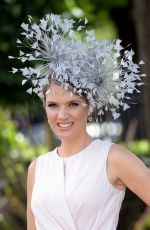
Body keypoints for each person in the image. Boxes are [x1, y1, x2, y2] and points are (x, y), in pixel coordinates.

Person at [9, 13, 150, 230]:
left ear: (90, 107)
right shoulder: (37, 168)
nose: (62, 115)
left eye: (73, 104)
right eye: (53, 105)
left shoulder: (113, 157)